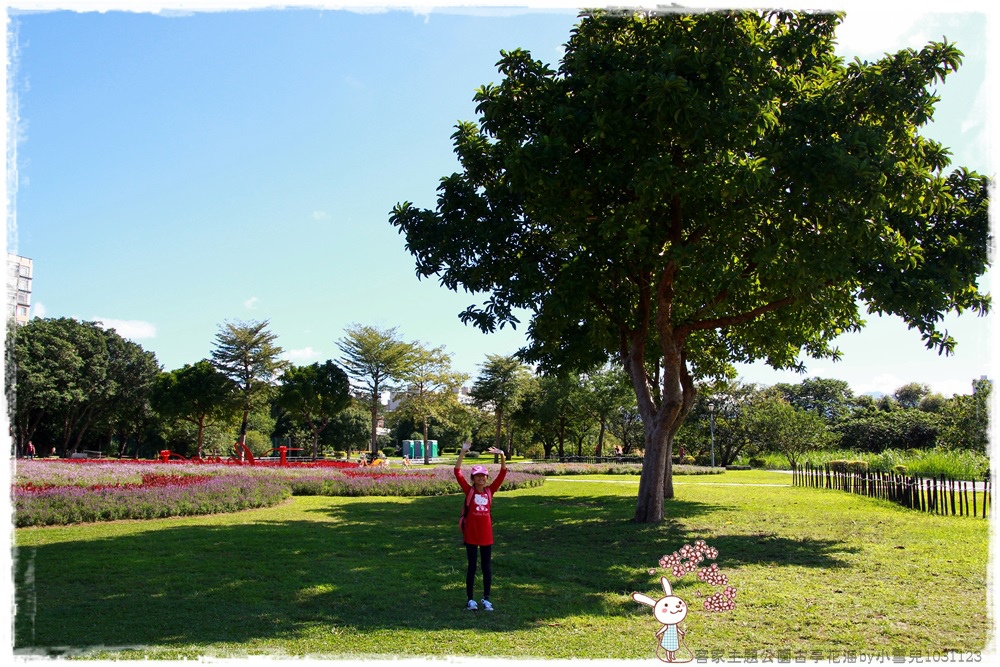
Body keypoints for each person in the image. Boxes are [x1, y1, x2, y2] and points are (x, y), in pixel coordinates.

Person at [454, 442, 506, 611]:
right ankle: (470, 599)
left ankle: (486, 598)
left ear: (486, 478)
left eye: (483, 476)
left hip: (486, 536)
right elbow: (457, 472)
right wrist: (462, 452)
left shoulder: (490, 491)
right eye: (477, 476)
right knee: (472, 566)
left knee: (486, 567)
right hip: (471, 534)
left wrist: (502, 456)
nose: (481, 478)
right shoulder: (469, 491)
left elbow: (503, 473)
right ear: (473, 478)